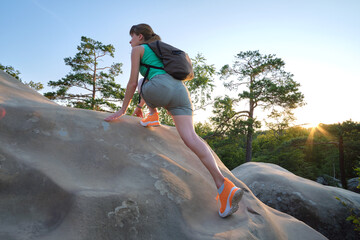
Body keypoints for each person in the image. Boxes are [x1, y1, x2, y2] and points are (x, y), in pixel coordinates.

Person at [104, 23, 243, 218]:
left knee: (145, 80)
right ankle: (224, 186)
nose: (130, 40)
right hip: (180, 92)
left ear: (140, 37)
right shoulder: (160, 51)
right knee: (191, 138)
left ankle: (152, 114)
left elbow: (134, 82)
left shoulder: (138, 50)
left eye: (132, 36)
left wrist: (123, 109)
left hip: (158, 87)